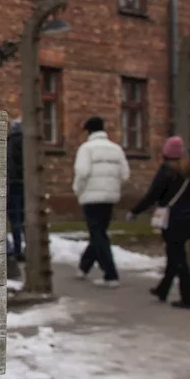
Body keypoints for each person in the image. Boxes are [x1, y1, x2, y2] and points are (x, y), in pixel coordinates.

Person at [127, 136, 190, 309]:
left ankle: (188, 298)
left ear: (166, 153)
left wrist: (135, 211)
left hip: (173, 219)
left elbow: (153, 195)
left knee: (177, 257)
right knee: (175, 254)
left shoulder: (166, 172)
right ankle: (163, 289)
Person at [72, 116, 130, 288]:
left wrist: (78, 190)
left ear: (89, 131)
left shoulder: (86, 149)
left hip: (91, 197)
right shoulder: (116, 149)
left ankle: (111, 274)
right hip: (110, 197)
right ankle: (84, 267)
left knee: (98, 234)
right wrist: (113, 186)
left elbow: (82, 173)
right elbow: (125, 174)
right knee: (99, 233)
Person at [7, 118, 26, 262]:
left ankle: (17, 249)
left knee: (15, 219)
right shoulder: (27, 144)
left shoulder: (7, 144)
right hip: (25, 184)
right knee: (25, 218)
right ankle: (29, 248)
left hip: (11, 184)